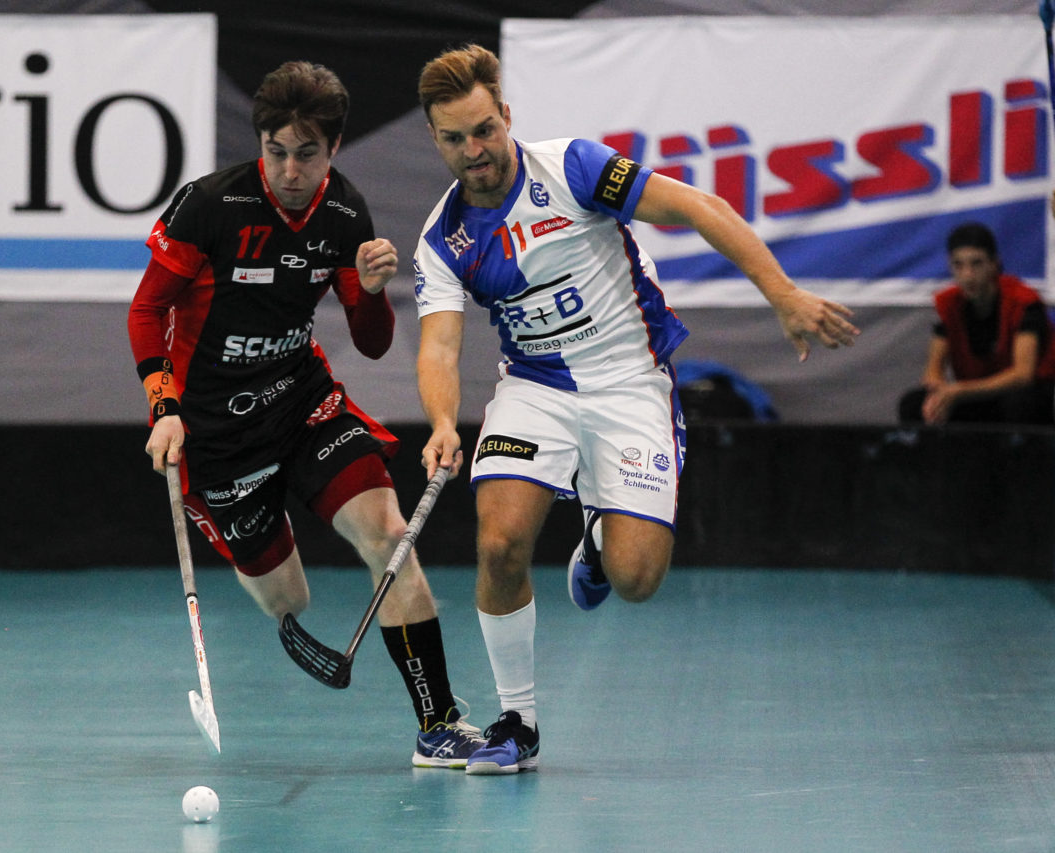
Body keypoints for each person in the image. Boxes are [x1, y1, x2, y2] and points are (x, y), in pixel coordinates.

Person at [412, 44, 860, 775]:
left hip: (630, 380)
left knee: (636, 580)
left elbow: (697, 206)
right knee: (498, 543)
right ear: (436, 140)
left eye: (485, 129)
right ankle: (517, 721)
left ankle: (596, 537)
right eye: (456, 138)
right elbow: (438, 348)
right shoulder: (444, 239)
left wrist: (784, 294)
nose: (476, 150)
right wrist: (439, 421)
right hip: (536, 386)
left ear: (506, 117)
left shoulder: (577, 168)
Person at [127, 61, 484, 768]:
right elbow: (147, 310)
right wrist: (162, 408)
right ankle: (261, 519)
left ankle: (438, 723)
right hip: (218, 437)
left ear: (336, 147)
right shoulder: (209, 205)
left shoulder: (346, 214)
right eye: (276, 151)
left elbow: (374, 341)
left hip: (303, 400)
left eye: (307, 153)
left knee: (389, 534)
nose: (290, 170)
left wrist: (375, 291)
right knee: (285, 598)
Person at [897, 223, 1055, 425]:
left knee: (1020, 402)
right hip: (975, 396)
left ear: (994, 264)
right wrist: (937, 395)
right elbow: (933, 371)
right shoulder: (948, 304)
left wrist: (959, 391)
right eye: (959, 265)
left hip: (1027, 396)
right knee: (914, 404)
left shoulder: (1023, 302)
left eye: (976, 264)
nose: (967, 275)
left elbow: (1023, 375)